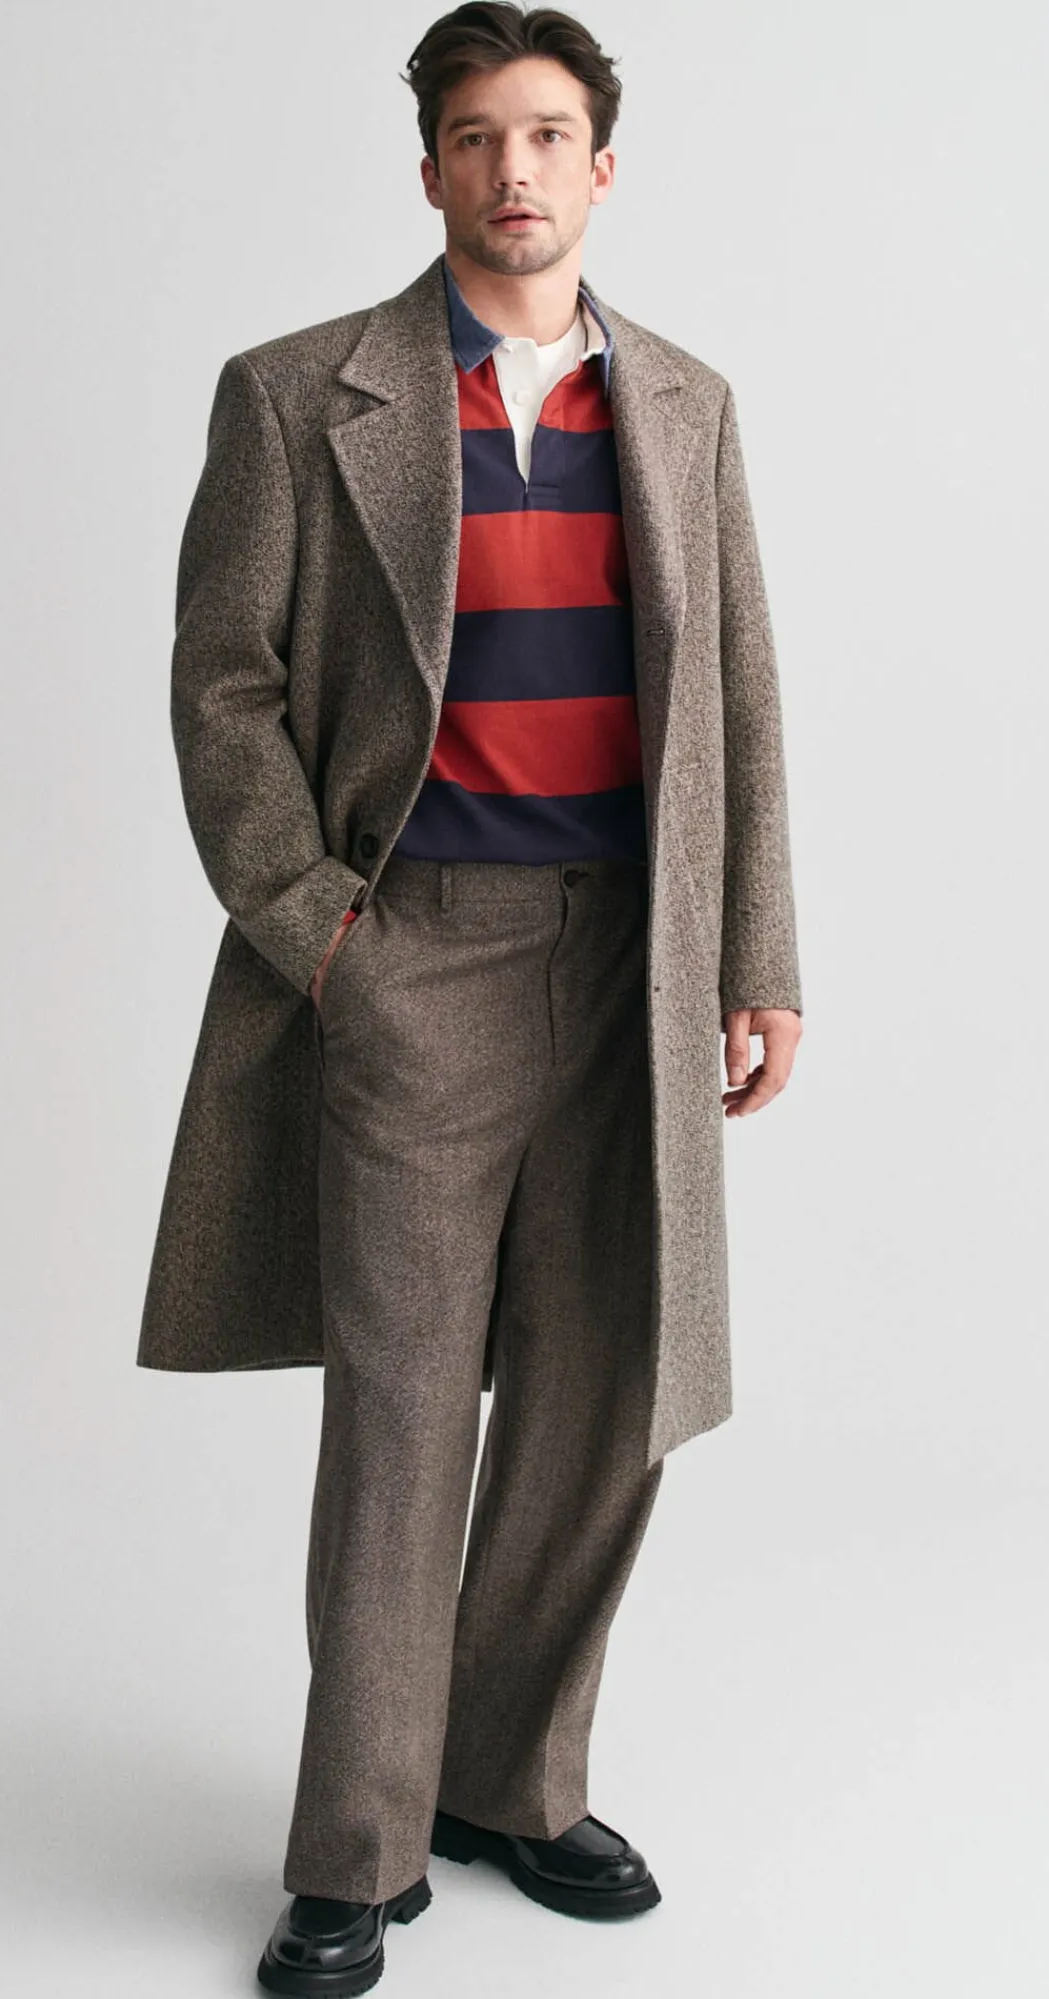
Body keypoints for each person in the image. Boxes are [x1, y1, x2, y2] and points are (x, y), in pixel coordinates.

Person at [136, 5, 803, 1991]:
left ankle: (514, 1780)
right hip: (411, 948)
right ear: (428, 167)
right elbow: (225, 689)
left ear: (604, 167)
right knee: (405, 1406)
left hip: (638, 956)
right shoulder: (299, 396)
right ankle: (357, 1846)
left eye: (549, 134)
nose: (515, 169)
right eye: (477, 136)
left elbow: (742, 696)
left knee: (606, 1392)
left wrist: (758, 955)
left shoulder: (684, 404)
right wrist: (320, 929)